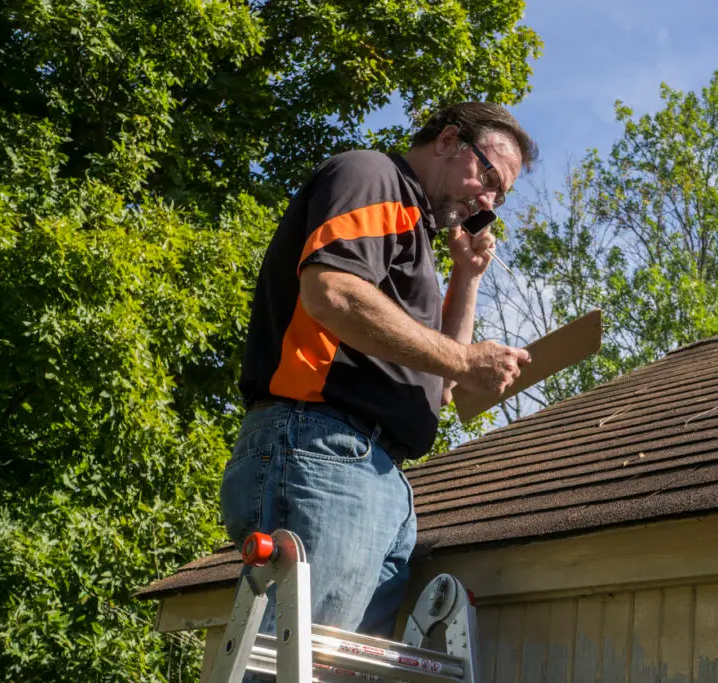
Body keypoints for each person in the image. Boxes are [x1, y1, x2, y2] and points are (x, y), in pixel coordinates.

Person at [219, 102, 538, 641]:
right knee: (300, 662)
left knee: (331, 668)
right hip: (324, 448)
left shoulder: (417, 234)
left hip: (375, 473)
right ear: (448, 141)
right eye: (487, 176)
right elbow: (332, 292)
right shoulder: (372, 176)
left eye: (499, 196)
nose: (487, 200)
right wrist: (464, 358)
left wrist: (467, 278)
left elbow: (441, 390)